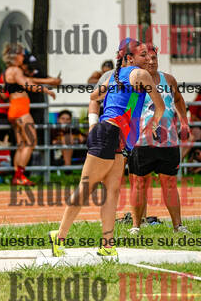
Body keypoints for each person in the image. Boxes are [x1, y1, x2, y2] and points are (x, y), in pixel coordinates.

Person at [49, 39, 165, 259]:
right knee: (86, 187)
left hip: (115, 137)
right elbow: (160, 106)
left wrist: (105, 108)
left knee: (112, 192)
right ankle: (59, 235)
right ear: (129, 58)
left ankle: (107, 244)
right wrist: (154, 125)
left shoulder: (114, 76)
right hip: (109, 134)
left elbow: (94, 96)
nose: (148, 58)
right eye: (143, 55)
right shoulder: (141, 75)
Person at [127, 44, 191, 234]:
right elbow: (130, 108)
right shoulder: (135, 80)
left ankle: (178, 226)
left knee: (170, 183)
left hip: (168, 140)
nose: (151, 62)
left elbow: (178, 99)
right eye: (147, 59)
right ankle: (136, 226)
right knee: (139, 183)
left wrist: (184, 122)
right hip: (142, 141)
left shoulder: (168, 79)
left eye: (154, 58)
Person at [1, 43, 56, 186]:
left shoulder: (8, 70)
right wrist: (46, 90)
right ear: (15, 56)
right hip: (21, 110)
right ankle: (20, 175)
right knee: (31, 142)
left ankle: (17, 176)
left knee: (22, 145)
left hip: (14, 110)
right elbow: (28, 85)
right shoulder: (15, 70)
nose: (23, 57)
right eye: (21, 54)